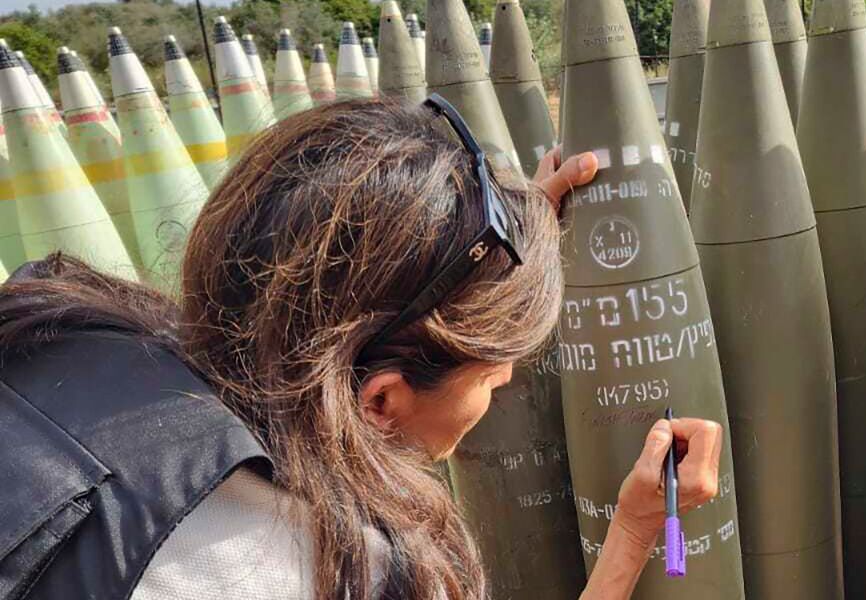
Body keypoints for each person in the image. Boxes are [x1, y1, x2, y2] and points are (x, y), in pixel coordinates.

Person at [0, 96, 723, 600]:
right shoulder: (337, 575)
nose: (505, 378)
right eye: (490, 373)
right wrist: (635, 528)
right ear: (379, 401)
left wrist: (497, 257)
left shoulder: (61, 331)